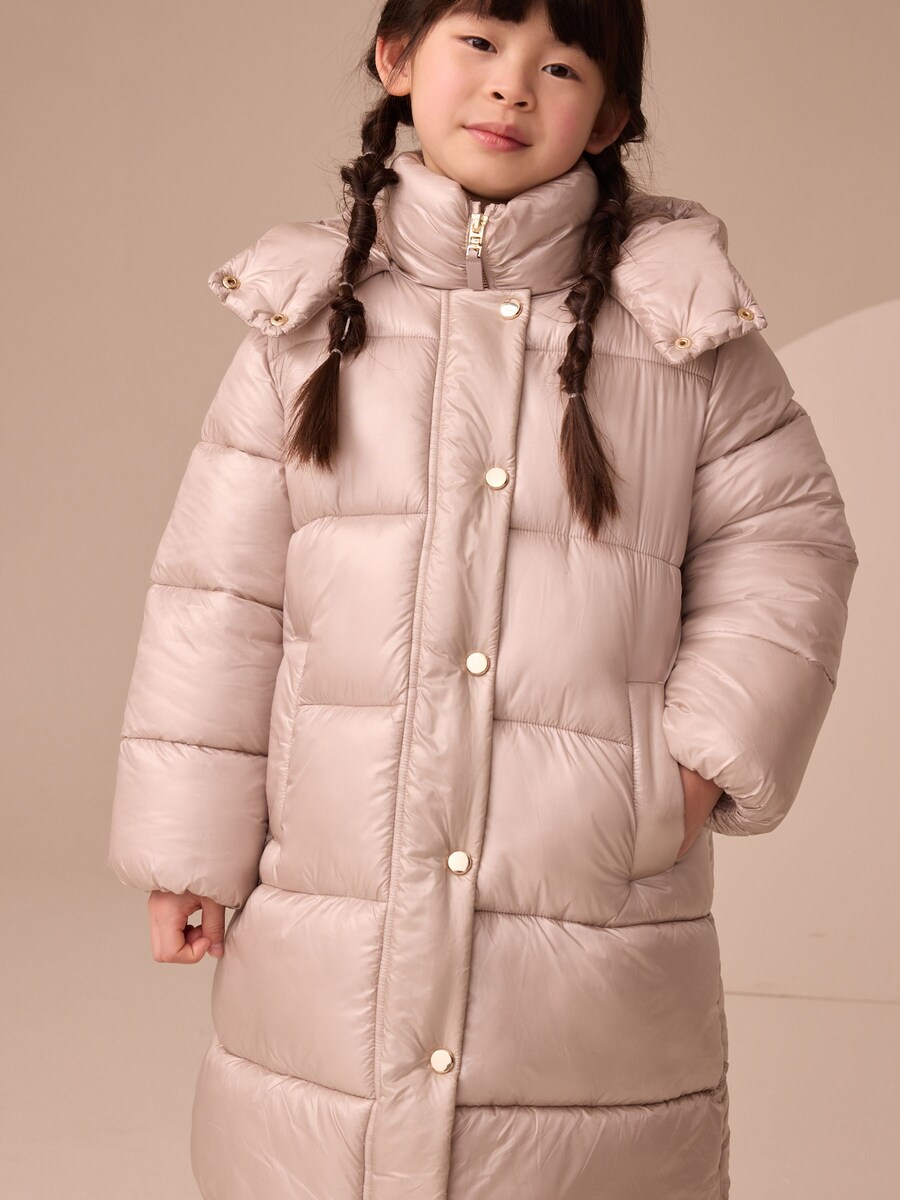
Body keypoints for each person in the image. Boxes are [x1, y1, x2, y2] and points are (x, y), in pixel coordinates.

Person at [107, 2, 859, 1197]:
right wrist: (189, 850)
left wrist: (690, 769)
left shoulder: (682, 332)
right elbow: (219, 596)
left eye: (559, 65)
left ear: (607, 116)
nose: (511, 87)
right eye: (480, 43)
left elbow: (790, 543)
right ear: (398, 59)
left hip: (583, 898)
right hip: (335, 879)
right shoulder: (303, 322)